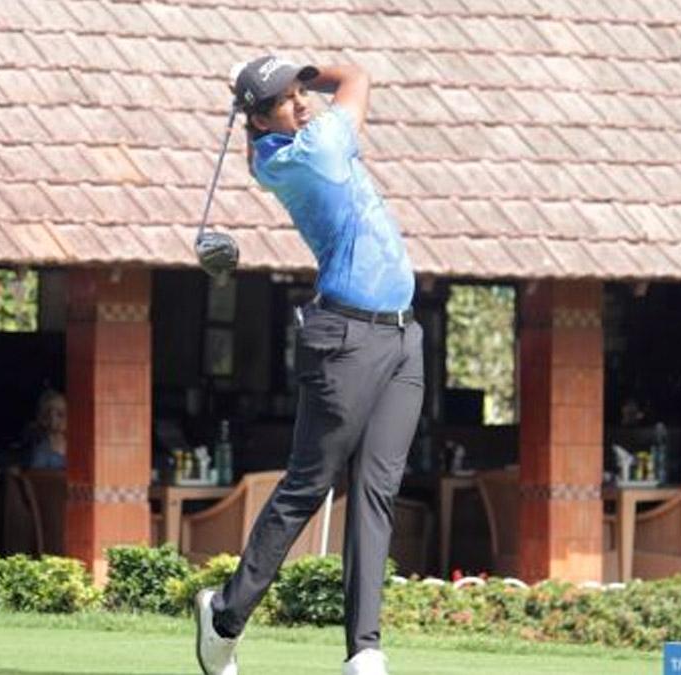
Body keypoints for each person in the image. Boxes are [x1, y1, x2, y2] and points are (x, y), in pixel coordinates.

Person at [195, 56, 422, 675]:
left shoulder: (284, 142)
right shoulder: (307, 152)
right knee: (308, 485)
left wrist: (290, 79)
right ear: (261, 120)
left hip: (403, 336)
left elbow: (324, 97)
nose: (301, 104)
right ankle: (223, 617)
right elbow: (358, 77)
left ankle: (364, 651)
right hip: (345, 336)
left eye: (300, 93)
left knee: (377, 492)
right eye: (285, 100)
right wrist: (318, 73)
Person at [24, 389, 67, 470]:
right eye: (61, 414)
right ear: (46, 418)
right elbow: (38, 479)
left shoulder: (79, 445)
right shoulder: (42, 453)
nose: (66, 418)